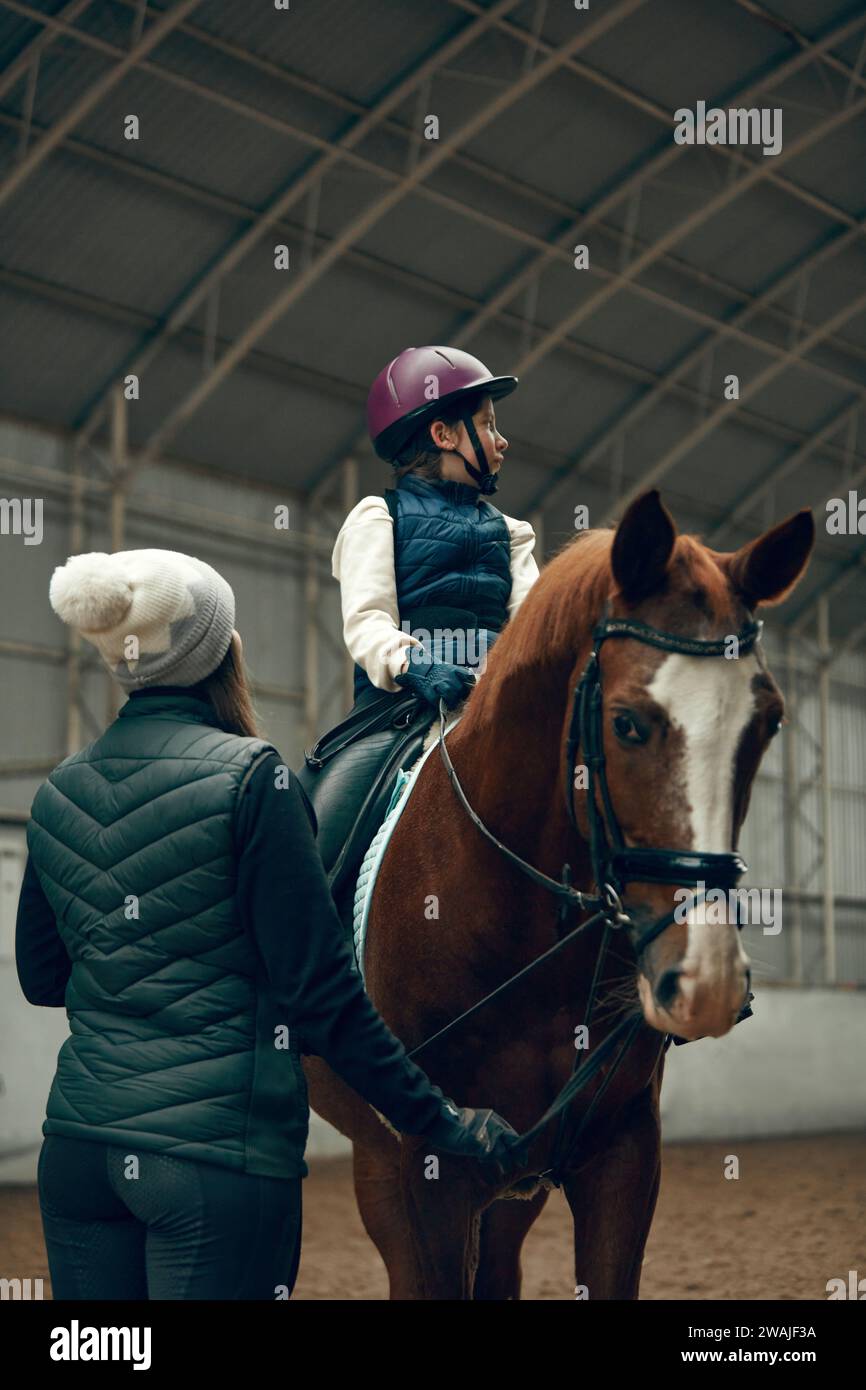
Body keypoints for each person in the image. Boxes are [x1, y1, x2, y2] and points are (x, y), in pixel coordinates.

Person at [15, 549, 521, 1301]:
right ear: (220, 651)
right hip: (215, 1160)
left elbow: (42, 976)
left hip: (80, 1157)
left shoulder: (61, 791)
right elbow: (323, 1000)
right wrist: (441, 1120)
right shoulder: (255, 780)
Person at [297, 345, 541, 881]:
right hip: (396, 716)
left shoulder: (513, 533)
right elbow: (367, 623)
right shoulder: (376, 519)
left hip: (491, 713)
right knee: (315, 844)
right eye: (488, 424)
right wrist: (417, 668)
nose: (503, 442)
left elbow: (534, 633)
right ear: (444, 435)